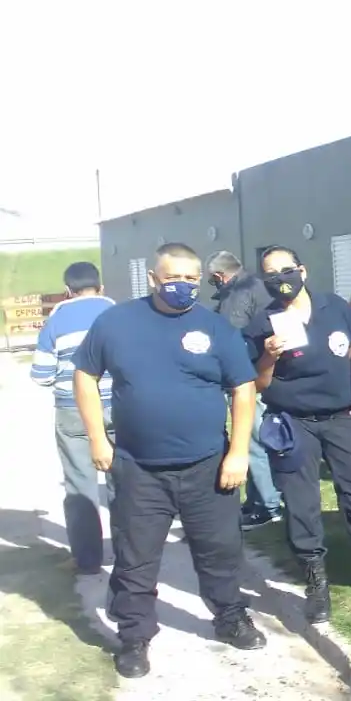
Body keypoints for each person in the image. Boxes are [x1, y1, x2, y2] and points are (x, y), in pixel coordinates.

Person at [72, 243, 266, 679]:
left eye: (190, 278)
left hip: (208, 465)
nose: (182, 285)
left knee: (220, 551)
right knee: (135, 557)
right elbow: (84, 373)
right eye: (172, 277)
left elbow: (243, 388)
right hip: (138, 467)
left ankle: (230, 618)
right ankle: (135, 637)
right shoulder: (117, 323)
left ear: (201, 279)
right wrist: (98, 439)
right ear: (153, 279)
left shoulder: (215, 327)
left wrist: (237, 452)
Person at [243, 246, 351, 625]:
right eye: (271, 274)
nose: (280, 279)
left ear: (302, 270)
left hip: (342, 416)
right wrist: (268, 356)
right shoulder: (261, 323)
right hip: (292, 421)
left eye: (286, 270)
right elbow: (257, 384)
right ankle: (316, 579)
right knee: (302, 501)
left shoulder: (334, 307)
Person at [31, 262, 115, 575]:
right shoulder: (116, 311)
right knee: (125, 483)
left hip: (74, 409)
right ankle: (131, 553)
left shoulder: (58, 318)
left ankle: (88, 559)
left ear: (67, 289)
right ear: (101, 286)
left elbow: (40, 374)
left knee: (80, 484)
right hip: (120, 406)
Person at [207, 249, 283, 530]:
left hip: (250, 377)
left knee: (253, 442)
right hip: (268, 370)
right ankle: (256, 500)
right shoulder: (257, 285)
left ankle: (268, 505)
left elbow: (231, 341)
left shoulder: (236, 295)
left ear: (219, 275)